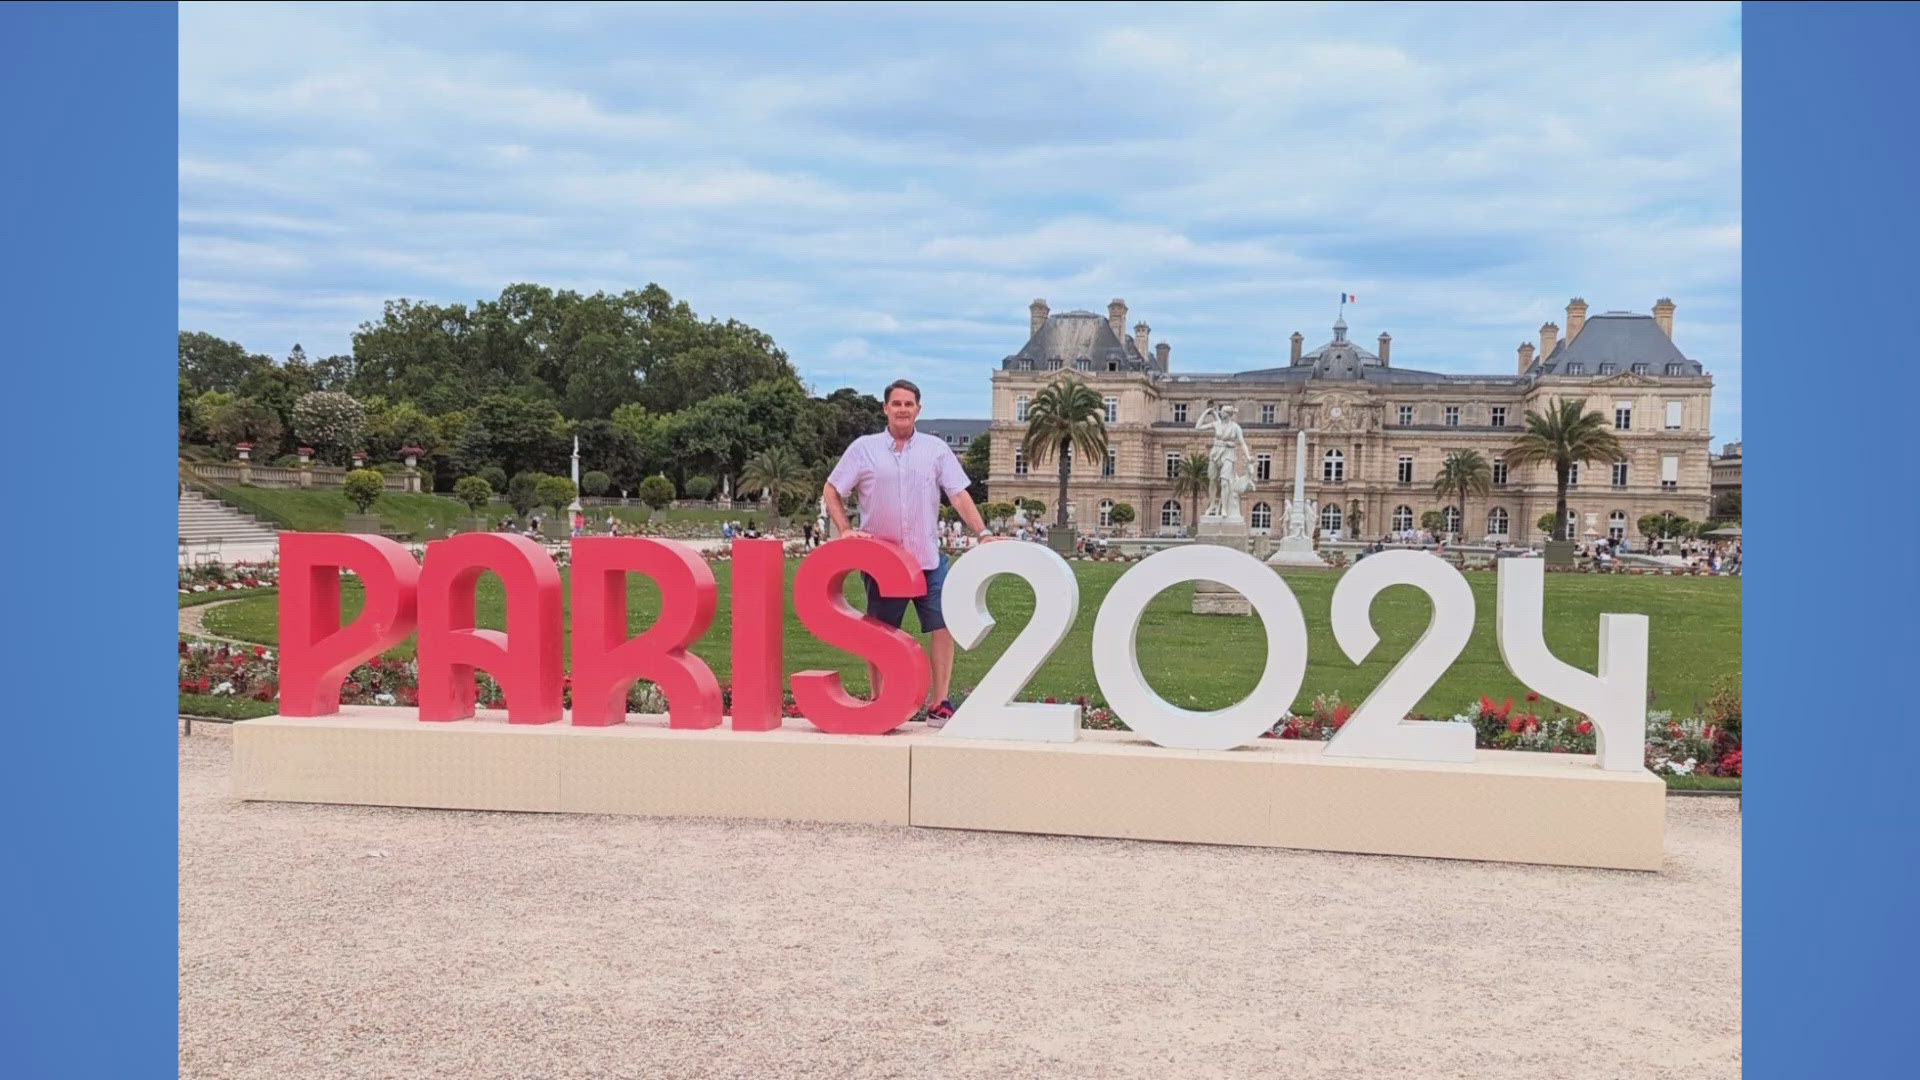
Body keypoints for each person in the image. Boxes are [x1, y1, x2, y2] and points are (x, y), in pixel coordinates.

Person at [823, 378, 1000, 728]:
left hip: (927, 560)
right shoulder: (864, 448)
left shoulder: (935, 449)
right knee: (879, 634)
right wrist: (845, 529)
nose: (902, 409)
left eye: (909, 404)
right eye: (896, 403)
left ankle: (940, 702)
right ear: (885, 408)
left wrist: (983, 532)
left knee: (943, 625)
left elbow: (959, 494)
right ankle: (880, 701)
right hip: (883, 562)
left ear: (919, 409)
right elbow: (832, 489)